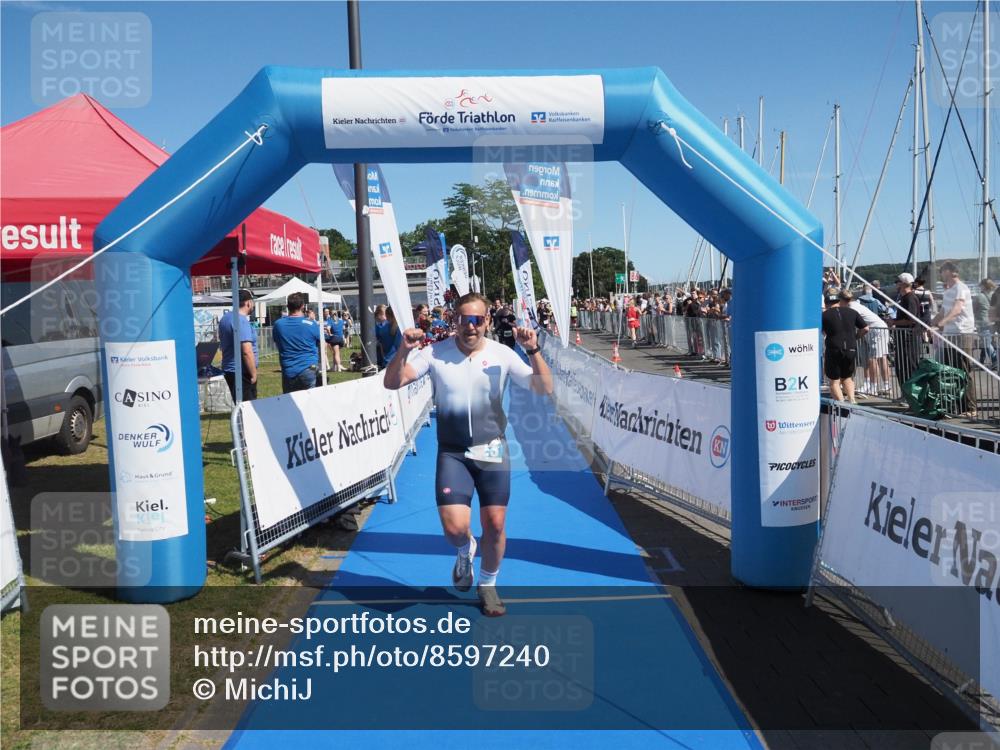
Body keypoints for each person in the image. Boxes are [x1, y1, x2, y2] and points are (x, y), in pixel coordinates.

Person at [383, 292, 553, 617]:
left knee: (495, 523)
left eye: (477, 320)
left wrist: (533, 350)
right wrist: (403, 350)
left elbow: (544, 388)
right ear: (454, 321)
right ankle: (464, 549)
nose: (470, 327)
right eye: (464, 319)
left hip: (491, 448)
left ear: (487, 321)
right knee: (455, 529)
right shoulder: (435, 353)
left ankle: (488, 586)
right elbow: (392, 382)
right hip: (453, 452)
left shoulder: (502, 354)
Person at [931, 261, 977, 417]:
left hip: (962, 333)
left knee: (964, 371)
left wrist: (941, 324)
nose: (941, 274)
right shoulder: (948, 291)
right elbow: (944, 311)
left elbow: (957, 309)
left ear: (950, 272)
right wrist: (931, 324)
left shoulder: (960, 288)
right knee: (951, 371)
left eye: (942, 271)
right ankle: (956, 406)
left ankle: (970, 408)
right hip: (949, 336)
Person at [821, 289, 869, 403]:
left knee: (834, 381)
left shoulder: (824, 315)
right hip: (851, 348)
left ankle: (841, 404)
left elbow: (822, 332)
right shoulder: (852, 312)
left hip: (834, 348)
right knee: (847, 378)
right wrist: (856, 337)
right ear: (838, 301)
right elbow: (866, 328)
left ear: (827, 303)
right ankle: (852, 401)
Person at [272, 292, 321, 393]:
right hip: (308, 368)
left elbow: (277, 343)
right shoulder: (311, 324)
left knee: (290, 404)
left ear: (287, 306)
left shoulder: (278, 324)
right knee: (311, 403)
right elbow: (320, 342)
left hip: (289, 370)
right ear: (303, 306)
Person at [218, 289, 258, 401]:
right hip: (243, 372)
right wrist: (253, 373)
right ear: (248, 303)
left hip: (230, 369)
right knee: (248, 409)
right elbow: (246, 352)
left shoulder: (225, 318)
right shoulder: (241, 321)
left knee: (240, 405)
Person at [890, 272, 923, 389]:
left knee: (909, 366)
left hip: (909, 338)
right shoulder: (905, 298)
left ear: (904, 284)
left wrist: (893, 322)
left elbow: (911, 319)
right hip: (903, 338)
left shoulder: (910, 298)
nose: (896, 284)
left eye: (898, 282)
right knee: (901, 367)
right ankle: (906, 393)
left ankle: (912, 395)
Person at [973, 279, 997, 369]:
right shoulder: (993, 295)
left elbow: (974, 309)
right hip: (992, 322)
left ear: (983, 286)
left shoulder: (980, 296)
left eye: (980, 285)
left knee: (986, 343)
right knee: (986, 341)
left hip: (982, 322)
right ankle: (981, 361)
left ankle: (995, 361)